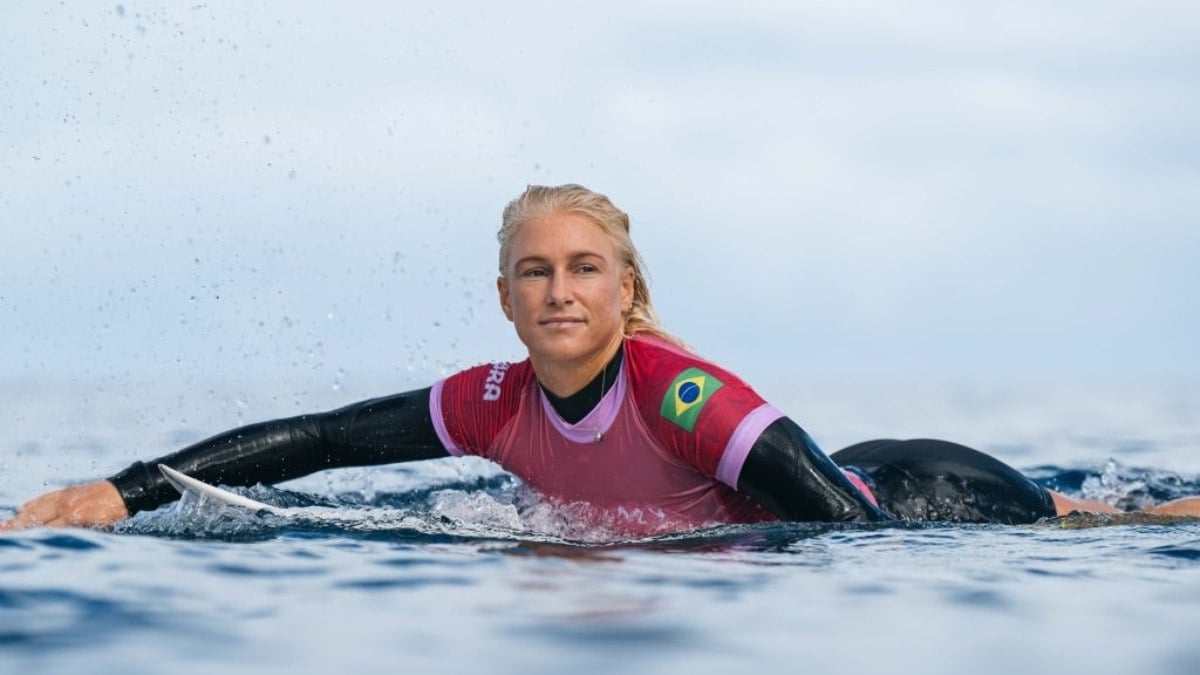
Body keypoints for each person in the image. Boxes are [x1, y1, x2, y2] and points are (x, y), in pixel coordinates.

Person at [3, 184, 1198, 534]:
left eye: (584, 268)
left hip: (928, 495)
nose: (558, 289)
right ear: (506, 300)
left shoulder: (683, 393)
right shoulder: (488, 402)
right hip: (843, 489)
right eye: (536, 272)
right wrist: (121, 490)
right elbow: (318, 442)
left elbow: (850, 534)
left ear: (625, 293)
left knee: (1109, 522)